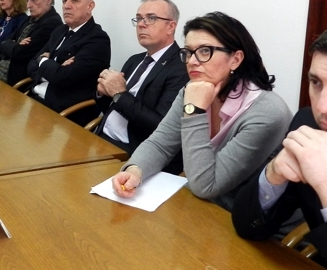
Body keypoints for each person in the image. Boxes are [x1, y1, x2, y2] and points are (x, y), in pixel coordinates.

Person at [112, 11, 291, 211]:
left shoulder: (267, 112)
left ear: (236, 59)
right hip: (204, 204)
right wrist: (135, 170)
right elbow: (161, 143)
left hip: (249, 217)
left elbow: (206, 186)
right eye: (188, 52)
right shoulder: (193, 90)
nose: (192, 61)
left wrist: (194, 111)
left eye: (205, 51)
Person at [232, 21, 327, 270]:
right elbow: (247, 226)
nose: (322, 106)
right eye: (316, 83)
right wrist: (272, 176)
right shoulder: (308, 124)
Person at [95, 0, 189, 167]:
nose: (141, 24)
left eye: (151, 18)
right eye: (138, 18)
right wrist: (103, 93)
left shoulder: (181, 69)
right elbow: (115, 106)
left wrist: (119, 93)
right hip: (100, 137)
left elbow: (160, 127)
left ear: (171, 26)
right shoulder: (135, 60)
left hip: (132, 153)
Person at [27, 0, 111, 126]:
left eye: (74, 0)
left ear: (90, 6)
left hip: (62, 112)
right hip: (34, 97)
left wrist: (44, 62)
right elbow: (31, 64)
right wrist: (53, 66)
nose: (66, 6)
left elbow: (62, 77)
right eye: (64, 1)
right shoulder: (60, 30)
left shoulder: (97, 39)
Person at [0, 0, 62, 85]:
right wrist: (15, 45)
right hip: (2, 70)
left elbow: (20, 53)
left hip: (18, 80)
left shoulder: (52, 23)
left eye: (33, 0)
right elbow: (2, 43)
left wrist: (13, 45)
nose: (28, 6)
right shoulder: (29, 19)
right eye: (27, 0)